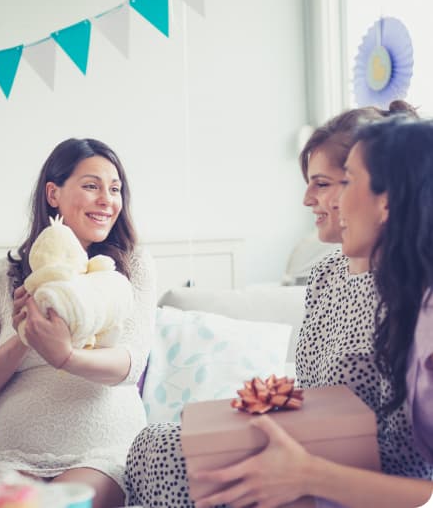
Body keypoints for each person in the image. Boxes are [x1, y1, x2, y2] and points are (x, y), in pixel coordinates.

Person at [124, 101, 432, 507]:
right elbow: (316, 401)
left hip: (359, 482)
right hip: (315, 454)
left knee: (177, 464)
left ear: (387, 197)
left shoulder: (415, 303)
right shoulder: (326, 276)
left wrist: (306, 474)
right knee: (157, 444)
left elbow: (416, 476)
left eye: (335, 182)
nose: (309, 199)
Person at [0, 138, 156, 508]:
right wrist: (24, 338)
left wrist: (65, 355)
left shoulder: (129, 268)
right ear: (53, 194)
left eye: (115, 188)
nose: (107, 199)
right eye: (92, 186)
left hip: (101, 455)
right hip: (13, 460)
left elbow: (129, 364)